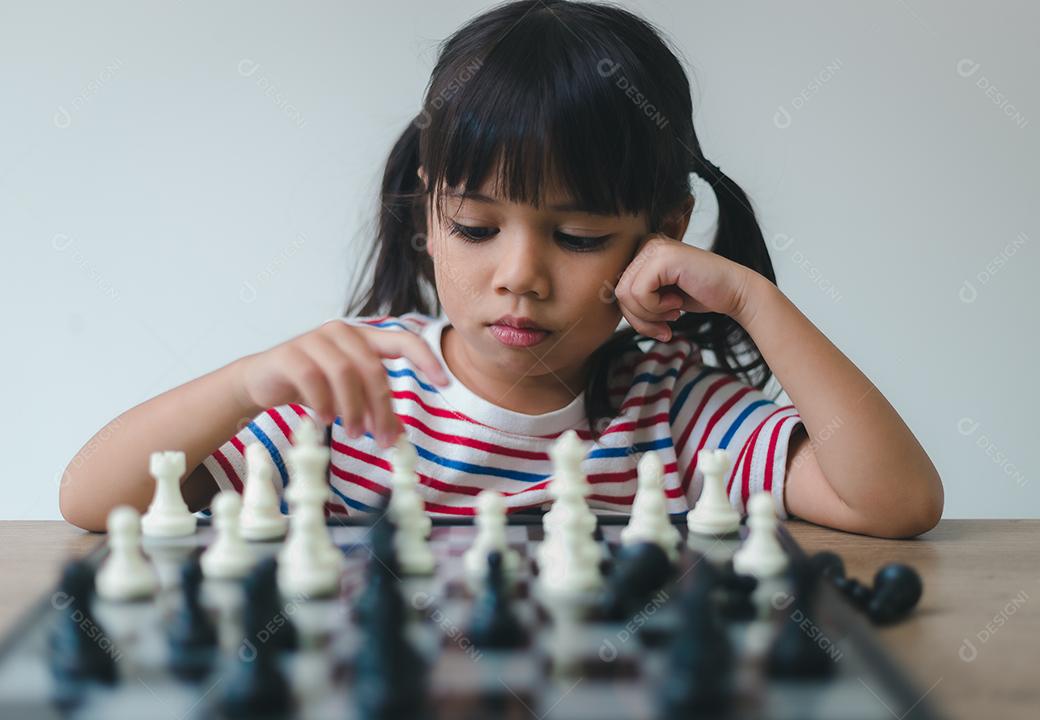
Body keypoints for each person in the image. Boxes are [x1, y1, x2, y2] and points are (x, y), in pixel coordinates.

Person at [59, 1, 942, 538]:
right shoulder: (356, 393)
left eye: (581, 236)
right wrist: (251, 383)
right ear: (428, 217)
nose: (520, 275)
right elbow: (93, 499)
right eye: (477, 227)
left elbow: (894, 502)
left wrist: (749, 296)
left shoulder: (674, 410)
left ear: (661, 236)